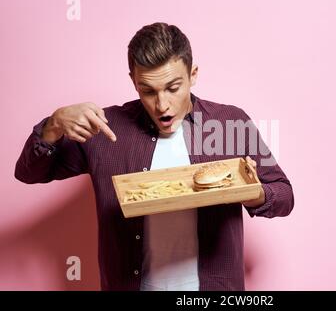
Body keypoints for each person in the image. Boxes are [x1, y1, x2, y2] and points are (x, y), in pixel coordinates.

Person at [14, 22, 294, 291]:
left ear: (193, 75)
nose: (162, 105)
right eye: (148, 91)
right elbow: (29, 173)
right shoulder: (104, 128)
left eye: (173, 88)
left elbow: (284, 195)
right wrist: (54, 124)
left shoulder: (229, 122)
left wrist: (250, 192)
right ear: (133, 81)